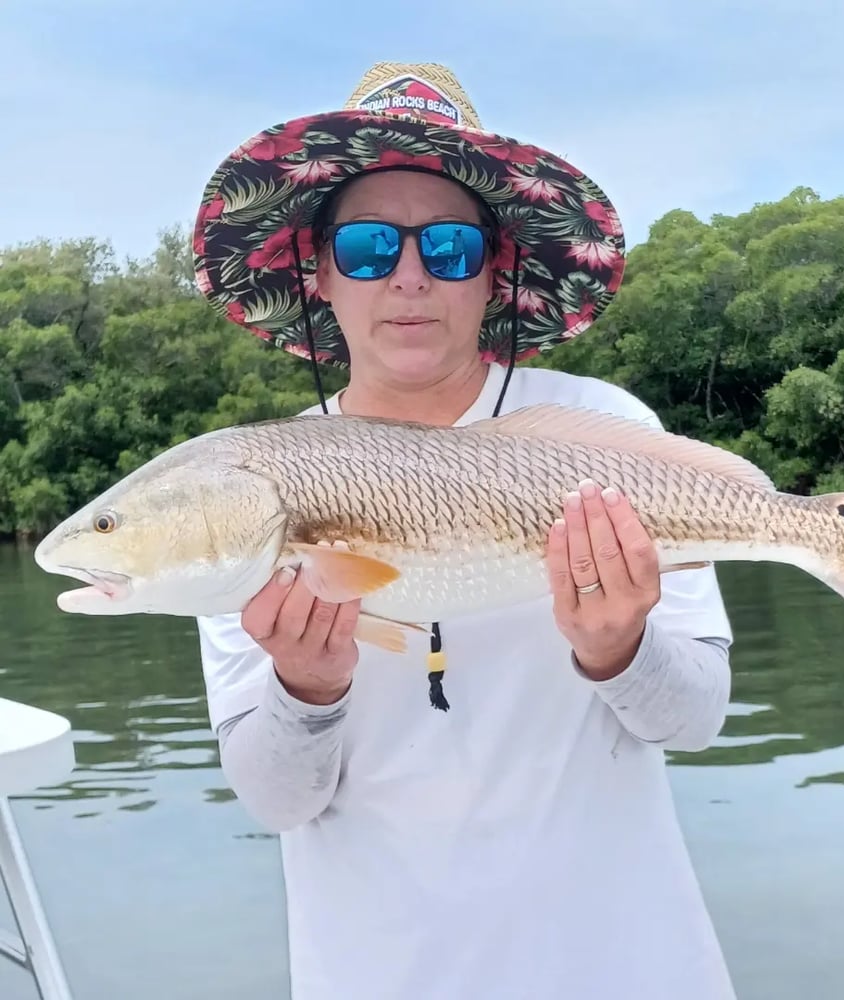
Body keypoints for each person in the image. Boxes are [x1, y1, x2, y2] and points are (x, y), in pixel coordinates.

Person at [193, 62, 737, 1000]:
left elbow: (694, 721)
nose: (408, 278)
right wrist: (307, 687)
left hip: (631, 966)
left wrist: (620, 651)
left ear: (497, 268)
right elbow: (277, 801)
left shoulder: (606, 433)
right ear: (318, 272)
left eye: (447, 247)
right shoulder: (253, 489)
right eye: (367, 248)